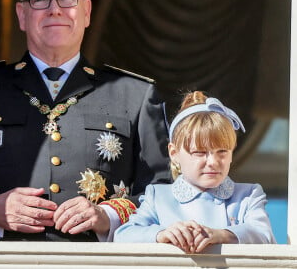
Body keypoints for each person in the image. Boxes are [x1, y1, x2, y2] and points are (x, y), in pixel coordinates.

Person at [0, 0, 171, 241]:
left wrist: (107, 216)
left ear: (87, 12)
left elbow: (162, 195)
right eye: (40, 0)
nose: (55, 10)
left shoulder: (135, 95)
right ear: (21, 14)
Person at [114, 91, 275, 252]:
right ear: (174, 153)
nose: (213, 162)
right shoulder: (158, 196)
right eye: (200, 152)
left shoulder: (248, 195)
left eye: (222, 152)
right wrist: (161, 234)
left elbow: (264, 235)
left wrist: (222, 235)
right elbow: (123, 235)